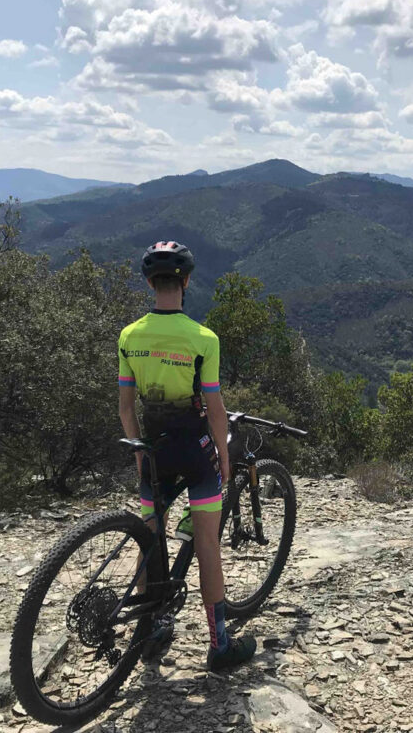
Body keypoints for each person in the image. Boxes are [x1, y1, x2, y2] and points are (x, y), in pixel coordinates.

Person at [117, 240, 256, 671]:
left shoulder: (129, 336)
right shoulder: (203, 339)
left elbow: (125, 407)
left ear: (148, 282)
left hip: (152, 449)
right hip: (194, 452)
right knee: (207, 543)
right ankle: (219, 647)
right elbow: (215, 409)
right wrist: (223, 455)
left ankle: (149, 628)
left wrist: (139, 451)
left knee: (149, 538)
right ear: (187, 281)